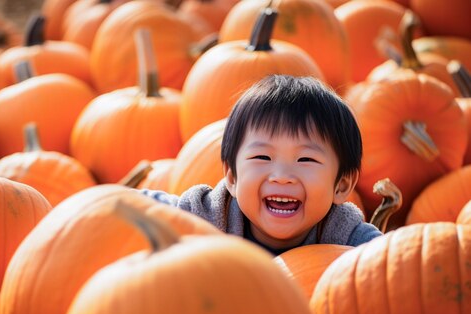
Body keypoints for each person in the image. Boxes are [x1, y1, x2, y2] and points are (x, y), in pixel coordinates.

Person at [140, 74, 382, 255]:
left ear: (341, 185)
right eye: (262, 157)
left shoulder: (349, 242)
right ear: (232, 178)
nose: (281, 176)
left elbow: (392, 265)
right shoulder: (207, 217)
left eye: (305, 159)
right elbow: (137, 208)